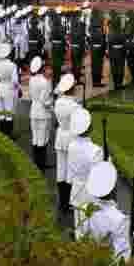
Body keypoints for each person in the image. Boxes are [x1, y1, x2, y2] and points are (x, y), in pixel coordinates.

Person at [76, 161, 134, 261]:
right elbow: (122, 259)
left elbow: (80, 239)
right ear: (113, 189)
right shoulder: (120, 220)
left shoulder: (82, 209)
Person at [67, 108, 104, 228]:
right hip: (90, 193)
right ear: (89, 128)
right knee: (91, 227)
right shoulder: (95, 151)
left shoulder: (71, 145)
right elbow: (99, 177)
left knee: (78, 226)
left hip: (76, 189)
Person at [54, 73, 80, 214]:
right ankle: (69, 202)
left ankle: (62, 202)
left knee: (61, 170)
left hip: (60, 136)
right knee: (70, 172)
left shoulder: (58, 102)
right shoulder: (74, 106)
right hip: (71, 137)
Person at [28, 56, 52, 170]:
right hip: (42, 112)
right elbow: (45, 101)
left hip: (33, 110)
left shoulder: (31, 80)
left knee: (35, 137)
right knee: (42, 138)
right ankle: (41, 163)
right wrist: (52, 103)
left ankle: (36, 162)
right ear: (42, 68)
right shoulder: (45, 82)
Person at [0, 42, 19, 136]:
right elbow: (15, 81)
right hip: (9, 88)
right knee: (9, 111)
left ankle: (1, 131)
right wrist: (17, 91)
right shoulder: (12, 65)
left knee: (1, 110)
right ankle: (8, 133)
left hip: (1, 87)